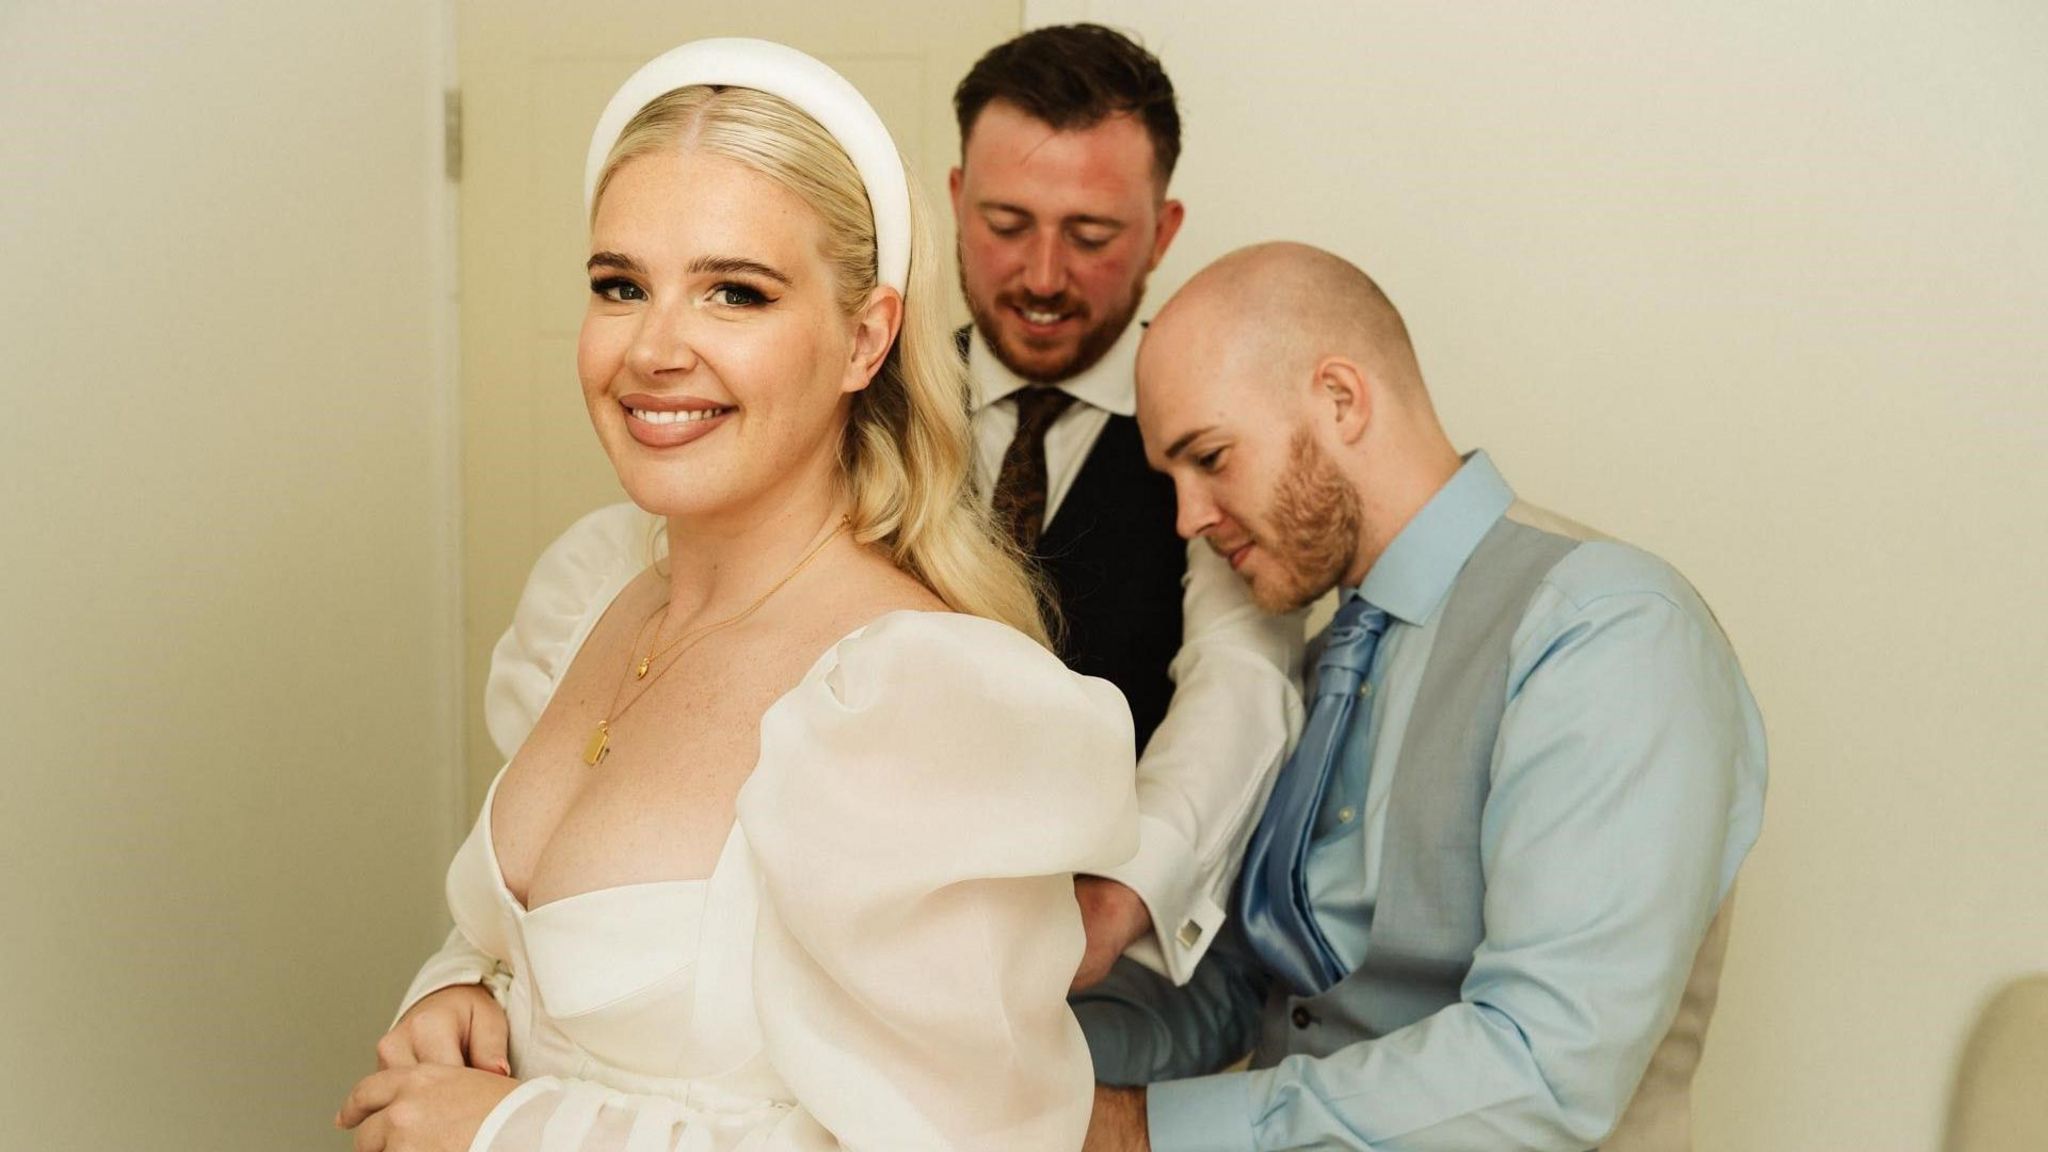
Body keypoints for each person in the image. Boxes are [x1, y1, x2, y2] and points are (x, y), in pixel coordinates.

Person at [335, 39, 1139, 1151]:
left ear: (865, 337)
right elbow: (539, 933)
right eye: (620, 286)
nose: (654, 348)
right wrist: (458, 993)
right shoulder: (595, 595)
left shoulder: (914, 693)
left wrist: (512, 1130)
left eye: (733, 291)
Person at [1074, 242, 1768, 1151]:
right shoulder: (1327, 664)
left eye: (1209, 457)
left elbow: (1540, 1070)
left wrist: (1136, 1134)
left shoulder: (1606, 629)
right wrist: (1004, 1052)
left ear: (1340, 400)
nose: (1188, 519)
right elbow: (1250, 986)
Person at [949, 25, 1304, 991]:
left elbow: (1242, 673)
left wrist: (1121, 891)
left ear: (1165, 230)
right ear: (954, 201)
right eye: (1006, 223)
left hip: (1104, 985)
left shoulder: (1218, 426)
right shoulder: (864, 408)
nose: (1044, 277)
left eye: (1092, 235)